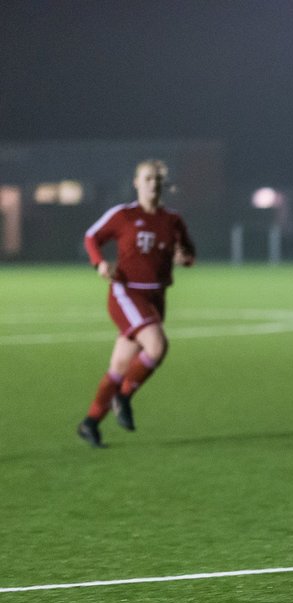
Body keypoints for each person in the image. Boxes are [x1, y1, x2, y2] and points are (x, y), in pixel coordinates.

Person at [77, 159, 196, 448]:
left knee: (118, 366)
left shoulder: (173, 219)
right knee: (157, 346)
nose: (152, 184)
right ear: (136, 183)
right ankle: (124, 396)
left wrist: (185, 258)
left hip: (156, 296)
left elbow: (188, 252)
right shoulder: (124, 215)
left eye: (157, 179)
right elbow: (92, 237)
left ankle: (90, 423)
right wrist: (100, 264)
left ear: (163, 184)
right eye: (147, 178)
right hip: (127, 292)